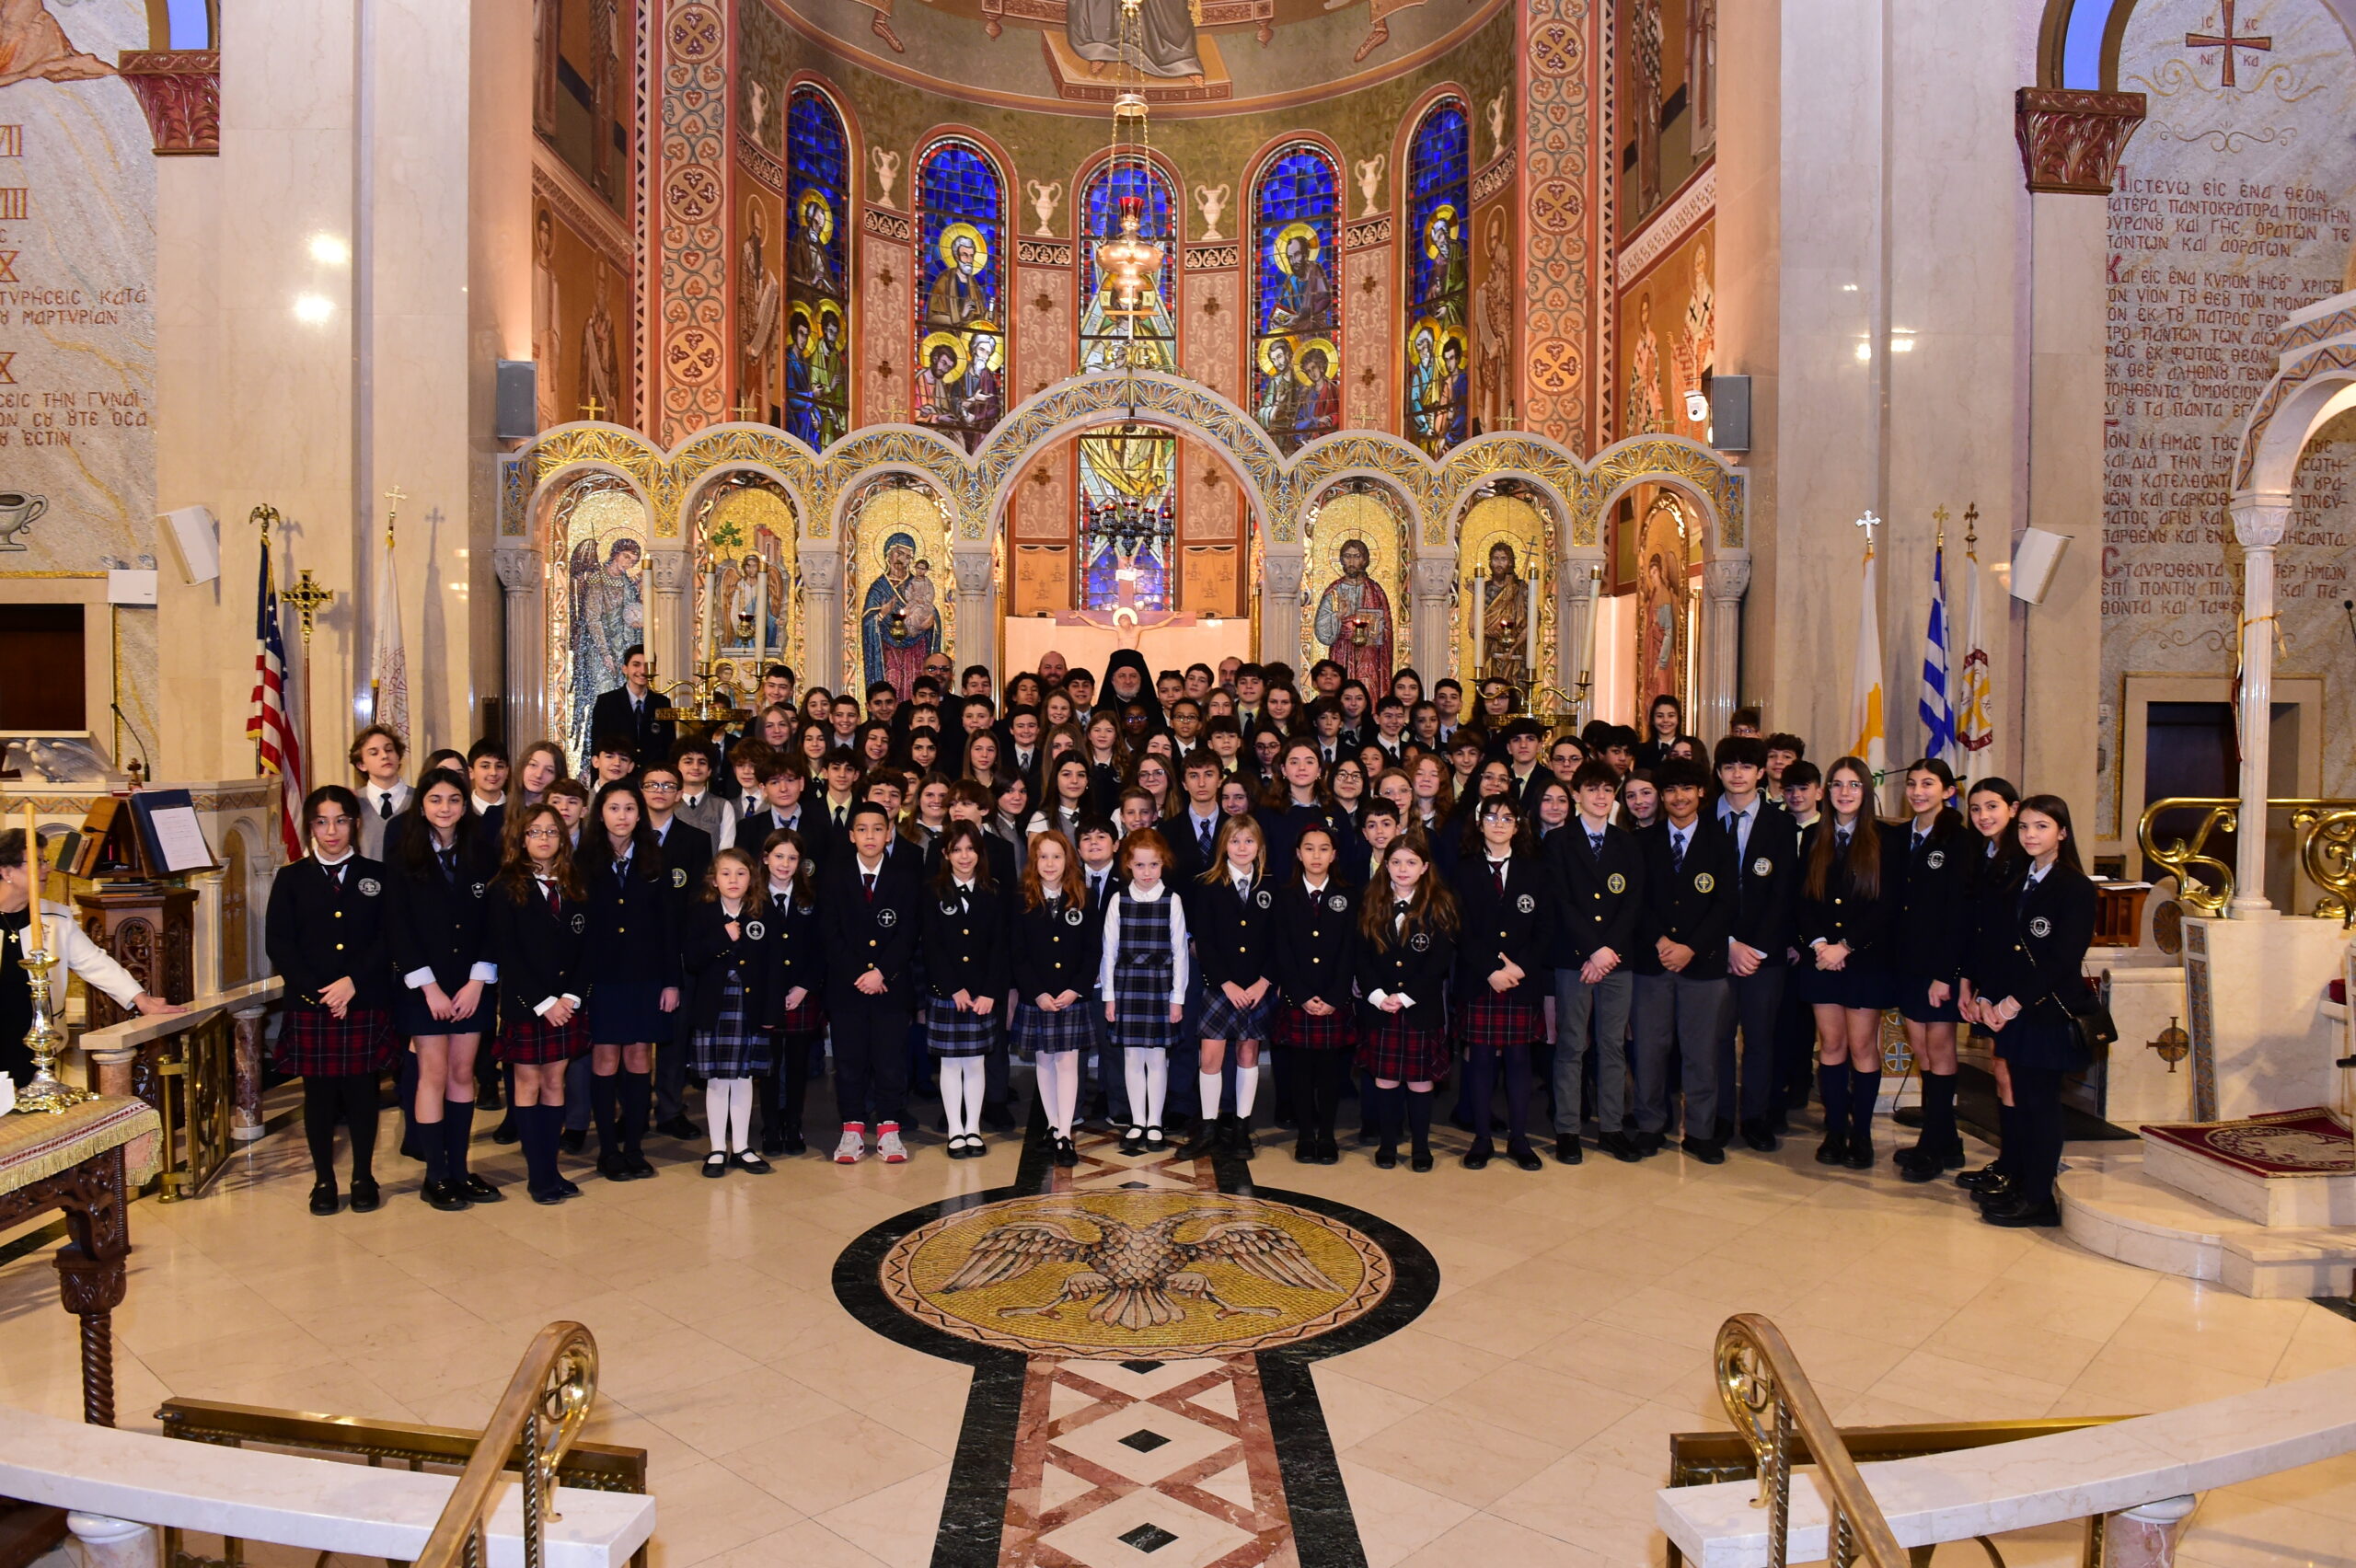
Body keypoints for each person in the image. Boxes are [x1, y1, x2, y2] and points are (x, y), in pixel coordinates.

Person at [1960, 794, 2095, 1228]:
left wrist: (2012, 1003)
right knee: (2020, 1097)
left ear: (2062, 833)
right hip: (2013, 1011)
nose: (2031, 835)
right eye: (2024, 827)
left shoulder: (2074, 886)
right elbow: (2001, 948)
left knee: (2041, 1104)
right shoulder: (2019, 878)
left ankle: (2040, 1200)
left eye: (2042, 827)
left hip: (2045, 1011)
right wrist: (1987, 996)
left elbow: (2062, 959)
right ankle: (2019, 1183)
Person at [267, 786, 398, 1216]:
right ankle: (324, 1179)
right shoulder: (291, 878)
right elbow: (280, 944)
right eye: (322, 822)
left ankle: (363, 1176)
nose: (331, 831)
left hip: (363, 1000)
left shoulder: (377, 875)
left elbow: (388, 937)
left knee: (363, 1092)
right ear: (310, 826)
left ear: (354, 824)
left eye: (341, 821)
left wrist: (352, 983)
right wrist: (319, 993)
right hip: (312, 1005)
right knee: (319, 1096)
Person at [384, 767, 501, 1210]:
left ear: (465, 804)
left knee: (462, 1074)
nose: (445, 808)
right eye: (435, 799)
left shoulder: (483, 853)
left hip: (472, 985)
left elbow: (495, 922)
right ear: (422, 805)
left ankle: (460, 1168)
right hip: (423, 986)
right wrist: (428, 987)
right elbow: (398, 927)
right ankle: (435, 1175)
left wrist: (477, 981)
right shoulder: (403, 855)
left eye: (454, 799)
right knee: (432, 1074)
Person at [1, 829, 177, 1091]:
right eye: (37, 861)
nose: (47, 868)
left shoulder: (55, 918)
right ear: (6, 871)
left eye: (45, 860)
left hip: (37, 1043)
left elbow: (94, 962)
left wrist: (141, 999)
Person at [1796, 755, 1906, 1170]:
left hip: (1865, 959)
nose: (1845, 792)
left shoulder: (1886, 839)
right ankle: (1834, 1129)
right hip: (1822, 959)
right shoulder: (1814, 836)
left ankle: (1861, 1134)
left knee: (1861, 1046)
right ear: (1826, 792)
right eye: (1838, 784)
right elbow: (1803, 899)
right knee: (1831, 1045)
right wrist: (1821, 944)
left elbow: (1888, 905)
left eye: (1854, 785)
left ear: (1866, 791)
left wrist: (1846, 945)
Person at [1629, 758, 1737, 1162]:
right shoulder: (1643, 842)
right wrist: (1661, 942)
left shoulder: (1720, 840)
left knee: (1701, 1052)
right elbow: (1635, 901)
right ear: (1662, 796)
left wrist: (1691, 947)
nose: (1679, 797)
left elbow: (1726, 904)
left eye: (1686, 789)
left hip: (1703, 966)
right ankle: (1650, 1125)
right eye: (1671, 790)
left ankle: (1701, 1132)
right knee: (1649, 1051)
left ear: (1701, 792)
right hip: (1652, 962)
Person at [575, 782, 682, 1182]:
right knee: (604, 1059)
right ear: (599, 813)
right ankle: (608, 1150)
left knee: (639, 1058)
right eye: (613, 808)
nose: (622, 816)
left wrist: (671, 982)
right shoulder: (583, 860)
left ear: (640, 815)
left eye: (629, 809)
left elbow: (669, 926)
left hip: (646, 976)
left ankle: (634, 1147)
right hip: (601, 977)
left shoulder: (656, 859)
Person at [485, 802, 591, 1205]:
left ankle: (552, 1167)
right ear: (521, 839)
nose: (544, 838)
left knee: (555, 1083)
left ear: (563, 838)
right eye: (535, 832)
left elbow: (588, 947)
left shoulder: (575, 883)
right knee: (528, 1084)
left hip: (567, 1004)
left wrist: (572, 996)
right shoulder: (504, 887)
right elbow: (507, 952)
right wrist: (544, 1002)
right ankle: (538, 1175)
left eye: (551, 831)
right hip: (527, 1004)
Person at [1543, 760, 1642, 1163]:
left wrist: (1608, 951)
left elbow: (1633, 902)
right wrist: (1592, 950)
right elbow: (1560, 901)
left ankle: (1612, 1128)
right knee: (1571, 1043)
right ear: (1577, 794)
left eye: (1607, 790)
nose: (1600, 797)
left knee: (1612, 1045)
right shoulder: (1559, 842)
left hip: (1617, 960)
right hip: (1575, 959)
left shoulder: (1627, 843)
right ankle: (1567, 1128)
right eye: (1592, 789)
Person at [1449, 796, 1549, 1171]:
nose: (1499, 823)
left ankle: (1519, 1138)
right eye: (1491, 817)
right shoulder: (1462, 871)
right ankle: (1481, 1138)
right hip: (1480, 980)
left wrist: (1520, 968)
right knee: (1480, 1059)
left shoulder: (1535, 870)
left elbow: (1546, 927)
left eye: (1507, 818)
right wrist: (1491, 969)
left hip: (1522, 980)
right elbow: (1458, 927)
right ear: (1479, 824)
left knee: (1519, 1058)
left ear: (1518, 826)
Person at [1712, 736, 1800, 1152]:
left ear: (1761, 773)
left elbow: (1785, 893)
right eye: (1729, 766)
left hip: (1765, 954)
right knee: (1717, 1038)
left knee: (1761, 1038)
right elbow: (1696, 896)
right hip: (1714, 949)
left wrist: (1757, 949)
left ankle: (1756, 1118)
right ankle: (1719, 1117)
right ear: (1718, 772)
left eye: (1746, 766)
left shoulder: (1781, 825)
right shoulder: (1703, 821)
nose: (1737, 774)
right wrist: (1728, 943)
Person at [820, 803, 922, 1164]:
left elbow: (909, 932)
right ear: (851, 835)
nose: (870, 836)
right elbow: (829, 933)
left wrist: (882, 972)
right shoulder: (833, 877)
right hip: (846, 988)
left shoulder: (905, 877)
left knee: (890, 1060)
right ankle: (851, 1129)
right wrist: (858, 974)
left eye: (878, 829)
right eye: (862, 829)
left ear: (889, 834)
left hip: (890, 987)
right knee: (849, 1061)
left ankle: (889, 1129)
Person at [1354, 836, 1458, 1171]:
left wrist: (1406, 996)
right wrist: (1377, 995)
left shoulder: (1439, 904)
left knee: (1420, 1080)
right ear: (1386, 865)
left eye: (1411, 862)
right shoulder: (1371, 901)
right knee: (1385, 1078)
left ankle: (1421, 1147)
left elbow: (1439, 960)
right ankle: (1387, 1143)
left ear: (1424, 867)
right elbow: (1361, 956)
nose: (1403, 869)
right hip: (1380, 1006)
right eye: (1396, 862)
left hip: (1420, 1008)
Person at [1894, 758, 1971, 1182]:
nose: (1917, 791)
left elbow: (1959, 911)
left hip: (1940, 964)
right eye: (1912, 784)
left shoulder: (1958, 840)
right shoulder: (1901, 835)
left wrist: (1946, 974)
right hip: (1908, 961)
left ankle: (1933, 1144)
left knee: (1939, 1050)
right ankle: (1947, 1140)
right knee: (1921, 1050)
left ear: (1947, 791)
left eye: (1928, 784)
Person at [1183, 814, 1276, 1159]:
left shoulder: (1270, 886)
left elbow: (1279, 939)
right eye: (1235, 841)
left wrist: (1264, 981)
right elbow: (1204, 941)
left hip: (1256, 987)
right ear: (1224, 846)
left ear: (1259, 846)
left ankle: (1241, 1129)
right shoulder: (1208, 885)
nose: (1242, 847)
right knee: (1210, 1057)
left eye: (1249, 841)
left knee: (1248, 1055)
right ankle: (1208, 1127)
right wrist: (1225, 983)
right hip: (1221, 988)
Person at [684, 847, 776, 1176]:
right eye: (726, 873)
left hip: (749, 1005)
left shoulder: (762, 912)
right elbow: (692, 959)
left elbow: (773, 965)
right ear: (714, 880)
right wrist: (722, 938)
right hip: (714, 1005)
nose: (733, 880)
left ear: (752, 879)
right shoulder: (701, 912)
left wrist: (771, 1010)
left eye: (741, 873)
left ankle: (742, 1146)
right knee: (718, 1080)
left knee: (744, 1077)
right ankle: (717, 1148)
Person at [1011, 830, 1100, 1168]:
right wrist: (1037, 993)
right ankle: (1051, 1126)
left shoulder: (1083, 896)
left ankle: (1065, 1133)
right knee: (1044, 1062)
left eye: (1057, 857)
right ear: (1034, 861)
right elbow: (1017, 953)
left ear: (1068, 860)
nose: (1050, 864)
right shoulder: (1022, 899)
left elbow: (1093, 951)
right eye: (1043, 857)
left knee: (1067, 1064)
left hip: (1070, 997)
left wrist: (1076, 989)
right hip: (1039, 997)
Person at [1955, 778, 2025, 1196]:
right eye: (1976, 808)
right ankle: (2008, 1161)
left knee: (2013, 1074)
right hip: (1989, 980)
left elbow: (2012, 933)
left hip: (2016, 985)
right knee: (2001, 1071)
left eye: (1992, 807)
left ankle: (2020, 1167)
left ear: (2013, 809)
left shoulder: (2022, 859)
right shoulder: (1982, 854)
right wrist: (1969, 983)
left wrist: (1995, 993)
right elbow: (1975, 928)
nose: (1983, 816)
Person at [1102, 828, 1189, 1156]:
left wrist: (1177, 998)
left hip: (1160, 986)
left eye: (1153, 865)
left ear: (1163, 863)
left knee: (1156, 1057)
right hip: (1127, 985)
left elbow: (1180, 952)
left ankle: (1155, 1121)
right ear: (1128, 864)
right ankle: (1137, 1121)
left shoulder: (1172, 900)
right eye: (1140, 865)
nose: (1147, 872)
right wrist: (1109, 996)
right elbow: (1109, 951)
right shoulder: (1119, 899)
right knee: (1132, 1056)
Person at [1272, 824, 1356, 1164]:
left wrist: (1335, 996)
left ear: (1334, 855)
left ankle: (1328, 1135)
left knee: (1331, 1072)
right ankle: (1306, 1135)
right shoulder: (1285, 895)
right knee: (1301, 1071)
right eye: (1309, 848)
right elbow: (1282, 950)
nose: (1316, 855)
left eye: (1323, 849)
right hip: (1299, 997)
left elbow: (1350, 950)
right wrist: (1301, 994)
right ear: (1298, 854)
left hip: (1334, 997)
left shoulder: (1348, 895)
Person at [749, 830, 825, 1157]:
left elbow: (821, 947)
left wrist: (803, 987)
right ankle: (770, 1125)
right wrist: (769, 992)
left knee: (797, 1065)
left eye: (792, 858)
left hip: (802, 994)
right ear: (765, 858)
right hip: (765, 994)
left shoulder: (811, 897)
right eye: (779, 856)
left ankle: (793, 1124)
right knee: (768, 1065)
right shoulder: (752, 899)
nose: (785, 864)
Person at [588, 644, 676, 763]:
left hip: (653, 772)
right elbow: (597, 746)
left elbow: (670, 747)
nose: (643, 670)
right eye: (636, 665)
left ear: (654, 670)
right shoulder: (607, 702)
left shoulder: (662, 702)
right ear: (625, 669)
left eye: (648, 665)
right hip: (619, 771)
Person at [351, 724, 411, 861]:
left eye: (389, 750)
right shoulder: (352, 802)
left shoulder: (422, 800)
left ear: (398, 756)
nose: (384, 756)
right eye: (374, 753)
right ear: (361, 765)